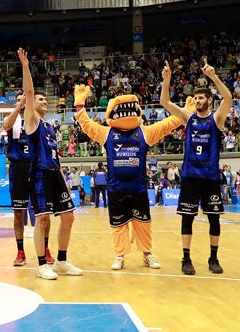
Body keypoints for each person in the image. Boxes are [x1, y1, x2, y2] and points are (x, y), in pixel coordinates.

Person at [73, 86, 188, 271]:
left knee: (143, 224)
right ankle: (119, 255)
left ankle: (147, 254)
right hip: (116, 189)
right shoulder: (107, 133)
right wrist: (79, 104)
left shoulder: (144, 132)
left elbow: (168, 125)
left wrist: (185, 112)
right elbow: (87, 125)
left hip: (138, 189)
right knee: (118, 225)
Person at [160, 59, 233, 275]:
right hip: (191, 176)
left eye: (201, 98)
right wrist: (167, 80)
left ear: (209, 100)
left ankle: (213, 258)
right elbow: (165, 101)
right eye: (196, 98)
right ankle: (186, 258)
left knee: (213, 218)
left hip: (210, 176)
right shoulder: (188, 118)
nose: (197, 100)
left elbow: (228, 97)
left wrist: (213, 77)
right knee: (187, 217)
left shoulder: (217, 119)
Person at [18, 48, 82, 280]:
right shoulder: (32, 121)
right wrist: (25, 66)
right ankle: (42, 264)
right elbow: (29, 90)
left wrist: (64, 179)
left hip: (55, 173)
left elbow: (57, 156)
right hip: (39, 174)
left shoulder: (50, 127)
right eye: (40, 99)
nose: (43, 101)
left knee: (69, 216)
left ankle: (61, 261)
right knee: (42, 219)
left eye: (46, 99)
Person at [2, 93, 52, 267]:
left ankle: (45, 249)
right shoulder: (13, 119)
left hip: (37, 166)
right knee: (18, 212)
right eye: (17, 100)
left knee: (44, 212)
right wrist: (18, 107)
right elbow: (5, 124)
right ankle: (20, 252)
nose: (21, 102)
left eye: (23, 99)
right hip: (18, 168)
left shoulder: (37, 120)